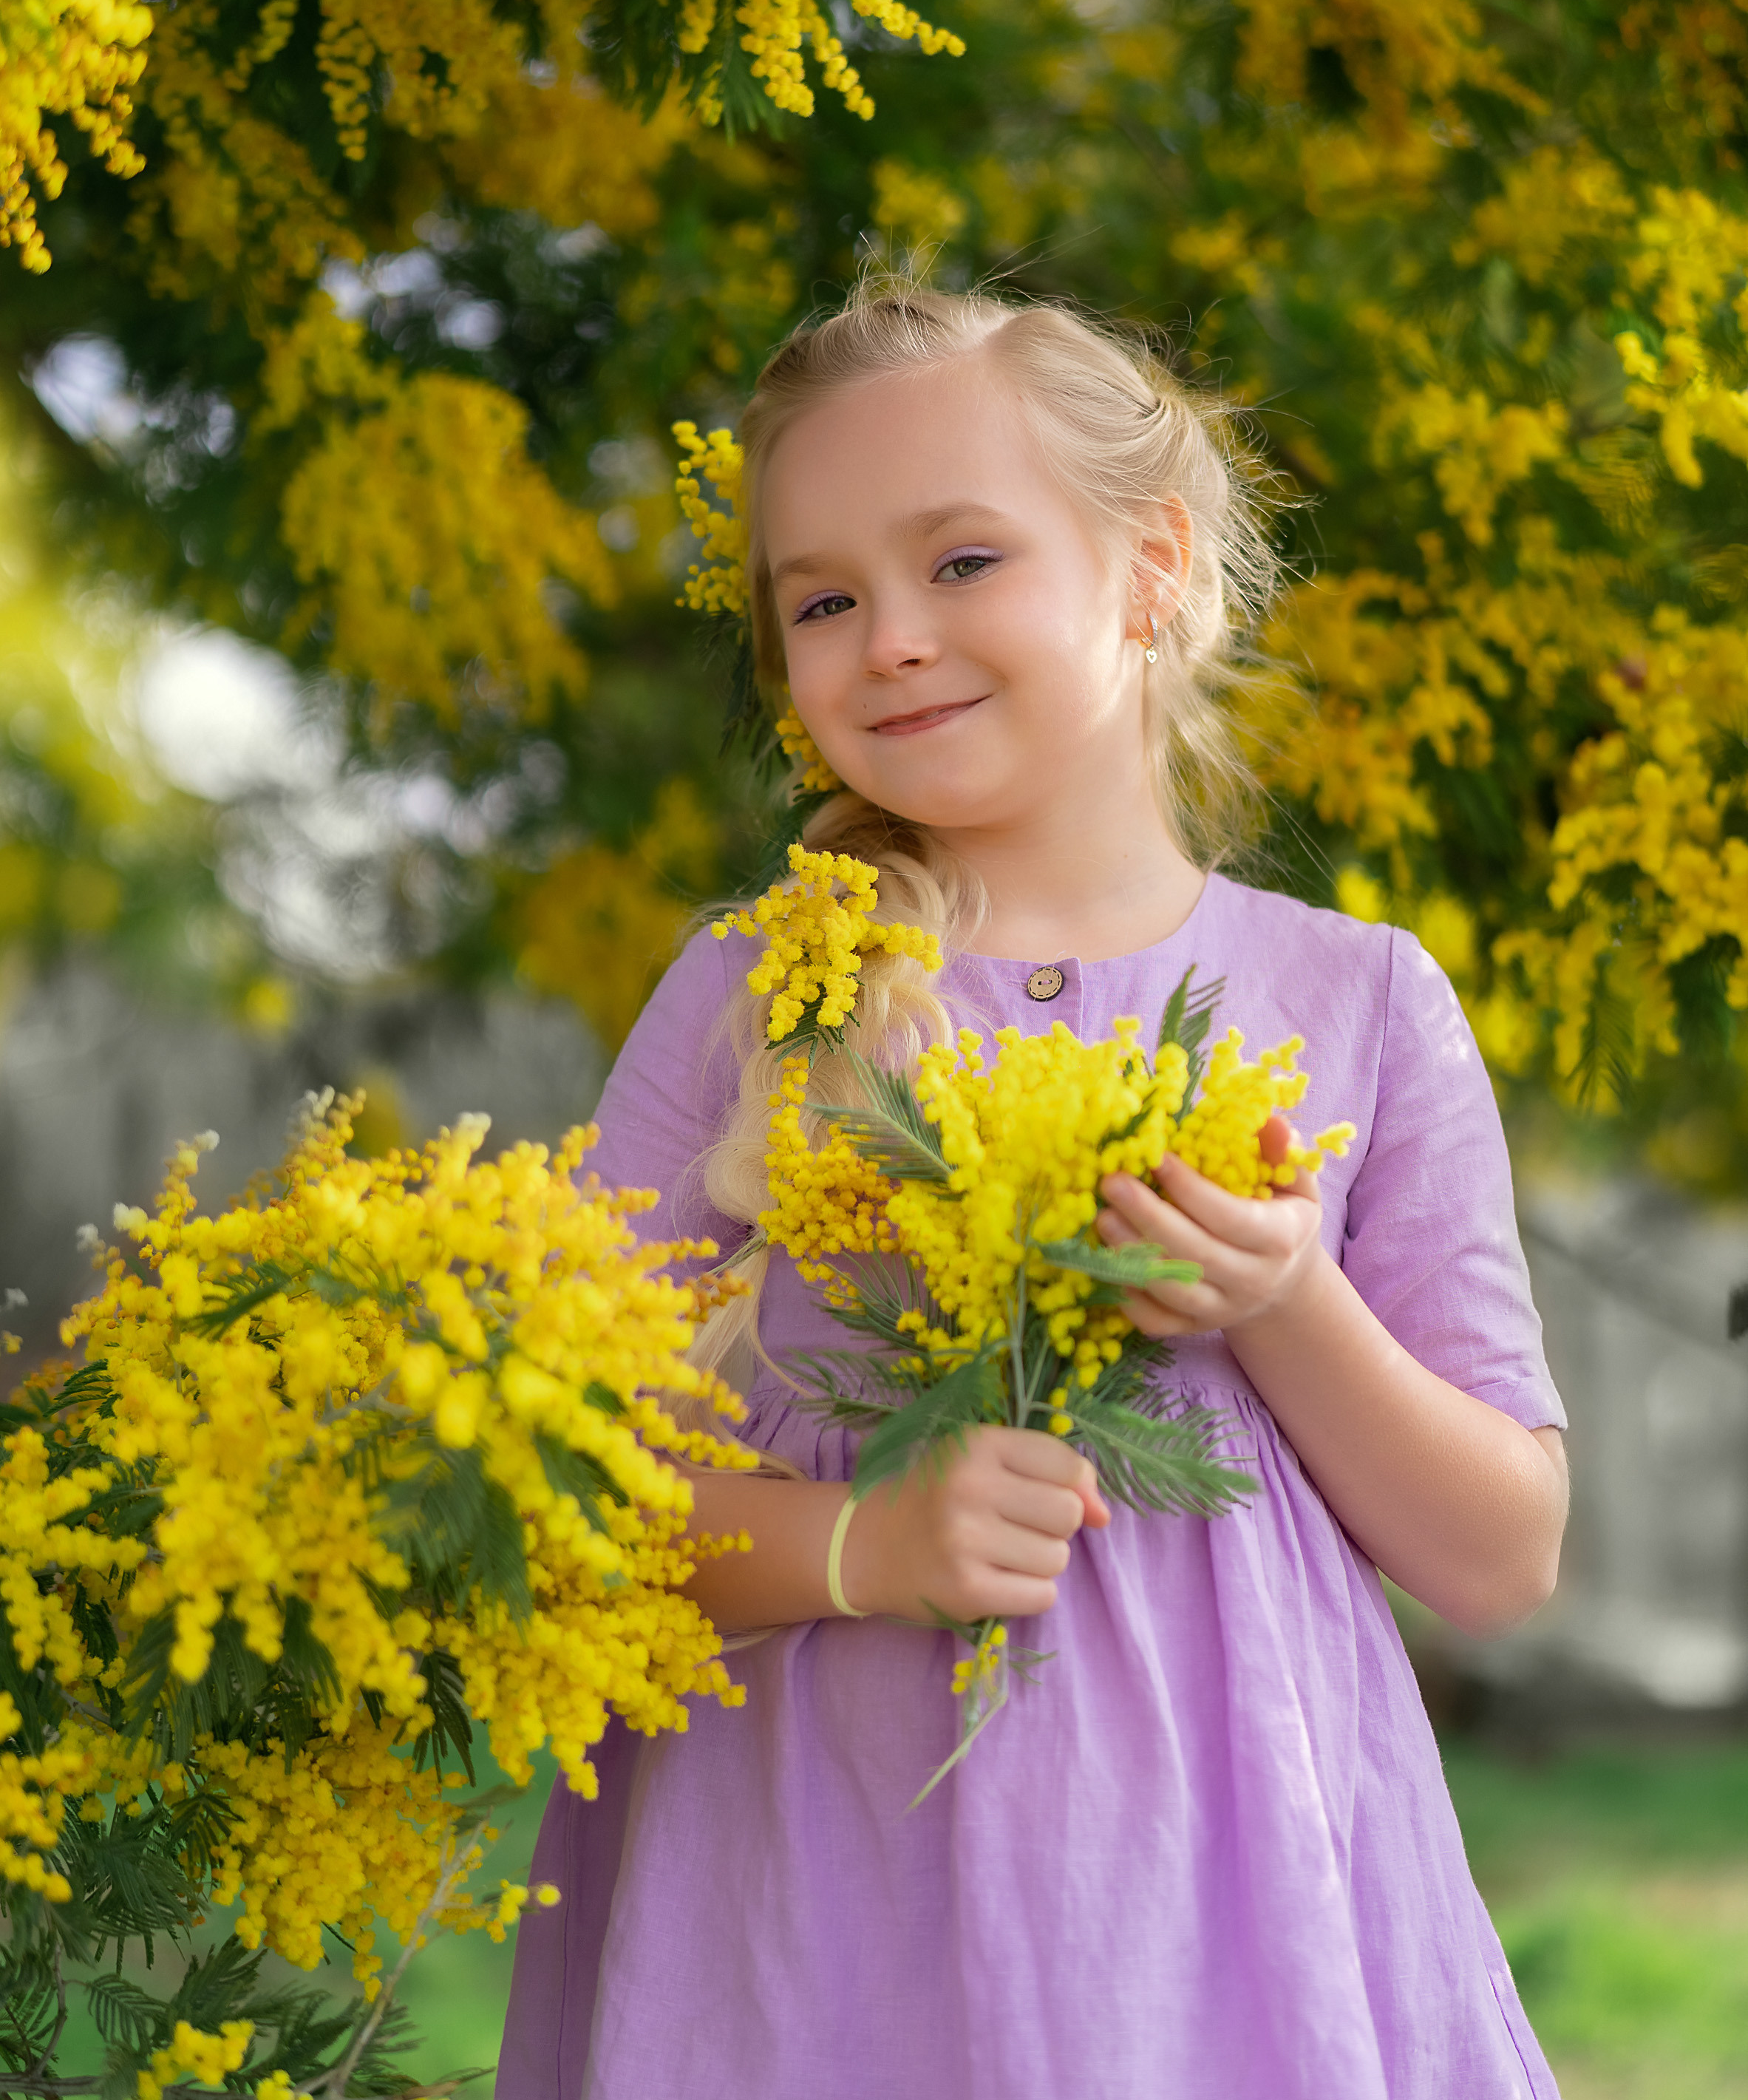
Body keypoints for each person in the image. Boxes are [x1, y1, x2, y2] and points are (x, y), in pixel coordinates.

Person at [499, 281, 1569, 2100]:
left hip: (1233, 1947)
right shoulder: (757, 992)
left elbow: (1501, 1555)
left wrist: (1286, 1300)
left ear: (1151, 570)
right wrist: (864, 1545)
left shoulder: (1360, 1002)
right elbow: (562, 1507)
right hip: (811, 1930)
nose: (891, 640)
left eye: (961, 560)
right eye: (821, 601)